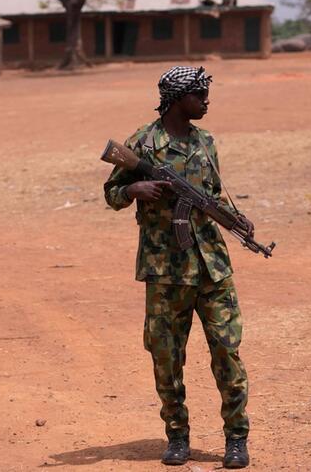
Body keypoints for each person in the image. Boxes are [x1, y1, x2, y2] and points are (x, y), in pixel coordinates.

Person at [103, 66, 252, 468]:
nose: (206, 101)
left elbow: (213, 196)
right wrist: (135, 189)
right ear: (177, 98)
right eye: (199, 95)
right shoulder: (144, 143)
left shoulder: (206, 143)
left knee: (227, 350)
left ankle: (236, 438)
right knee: (167, 356)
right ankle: (177, 436)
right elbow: (112, 194)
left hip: (212, 267)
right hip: (165, 270)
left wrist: (236, 221)